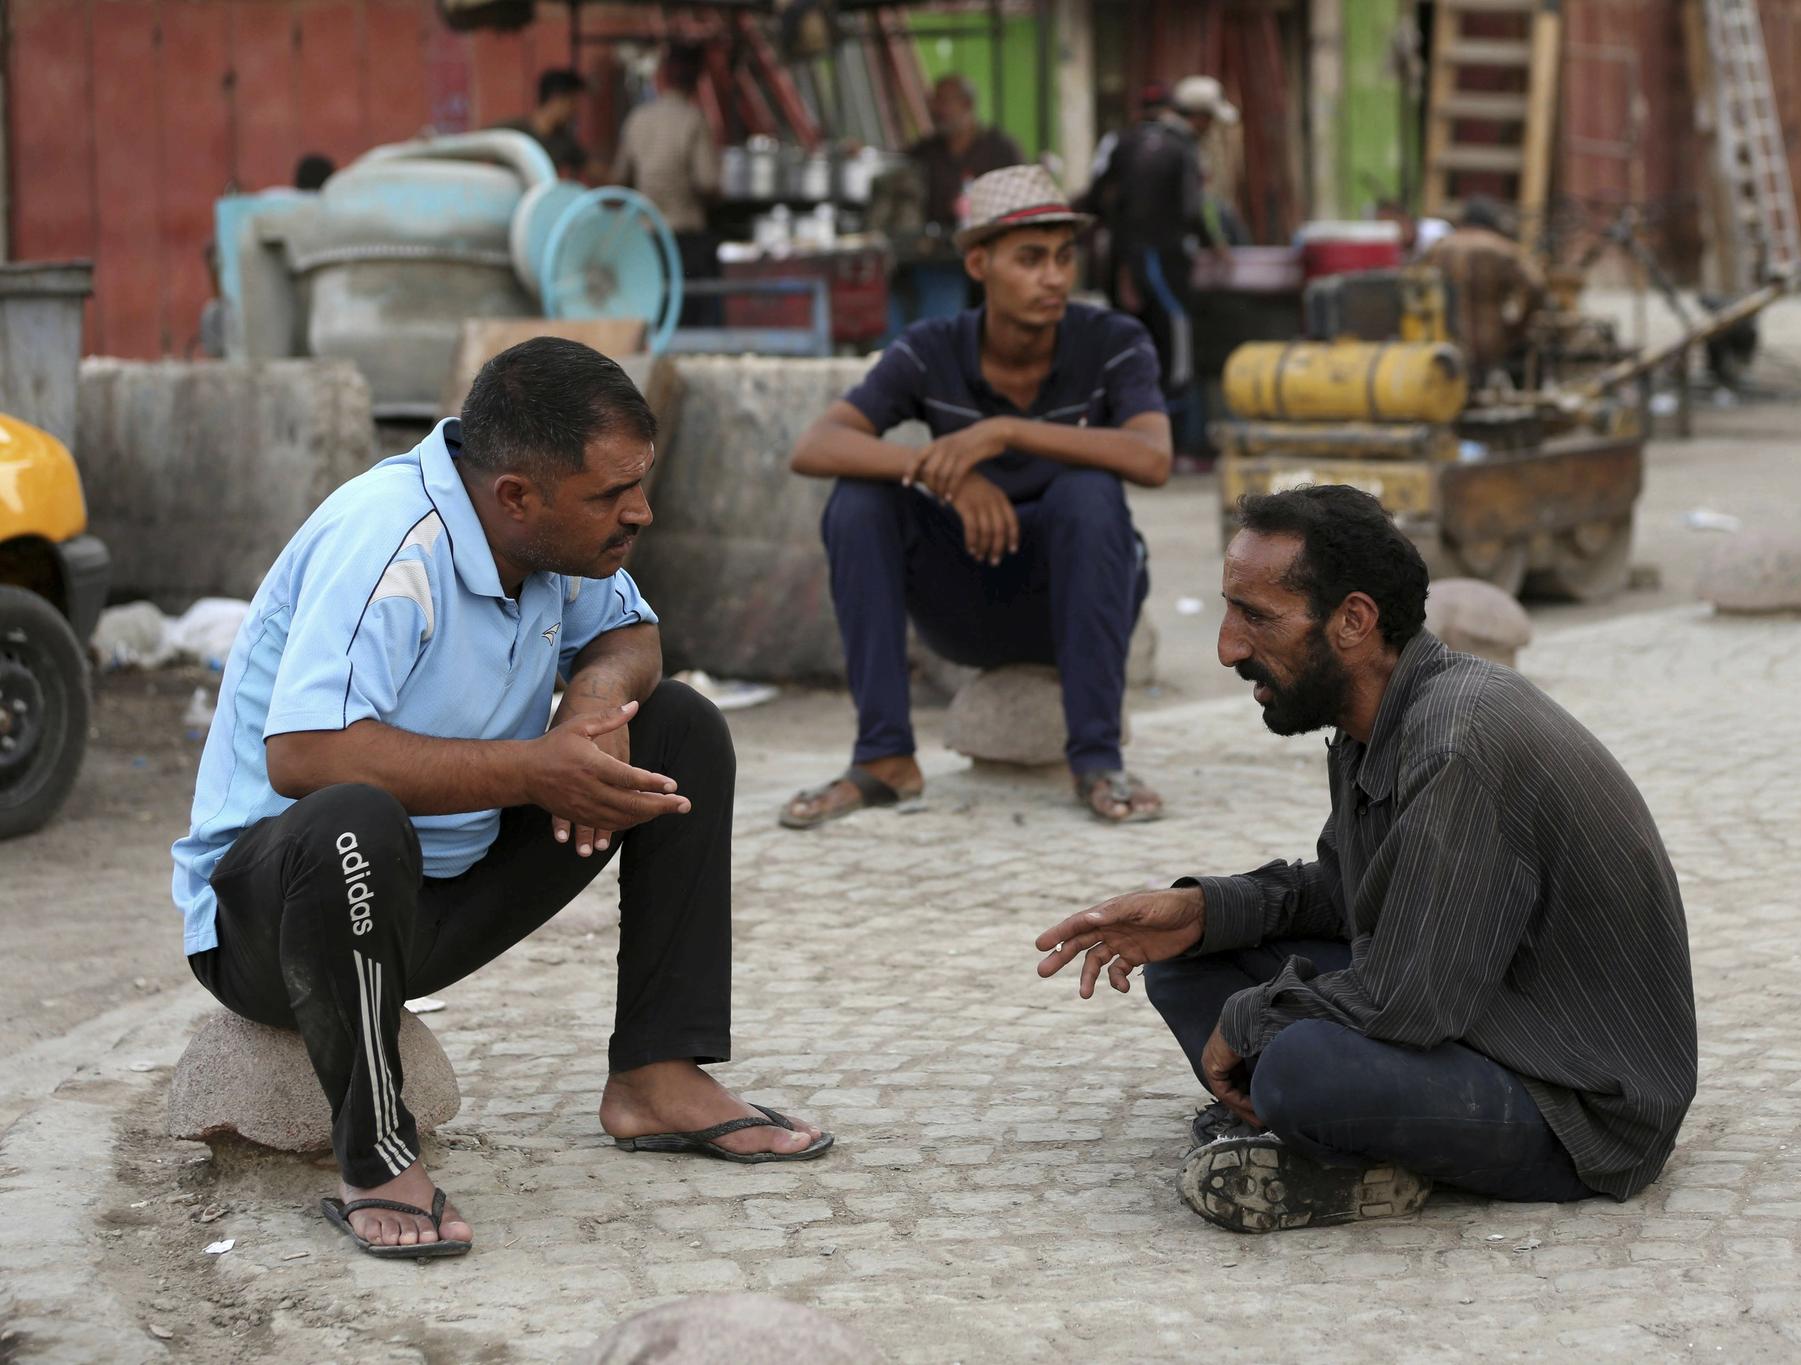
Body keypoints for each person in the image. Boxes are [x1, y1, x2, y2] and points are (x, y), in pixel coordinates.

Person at [171, 338, 829, 1260]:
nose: (639, 512)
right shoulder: (394, 542)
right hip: (280, 922)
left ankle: (655, 1075)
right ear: (517, 494)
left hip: (431, 901)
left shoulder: (551, 542)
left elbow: (633, 632)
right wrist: (532, 768)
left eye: (640, 482)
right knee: (350, 815)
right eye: (611, 494)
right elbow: (304, 753)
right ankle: (375, 1151)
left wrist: (597, 700)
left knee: (677, 729)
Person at [1036, 485, 1696, 1232]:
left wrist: (1252, 1023)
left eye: (1256, 616)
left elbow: (1410, 997)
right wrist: (1205, 908)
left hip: (1574, 1098)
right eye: (1230, 610)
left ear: (1353, 620)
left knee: (1298, 1066)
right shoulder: (1373, 718)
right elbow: (1356, 895)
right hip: (1478, 1009)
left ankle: (1341, 1148)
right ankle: (1335, 1135)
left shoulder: (1457, 745)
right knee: (1189, 958)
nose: (1227, 647)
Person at [782, 164, 1171, 830]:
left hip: (1080, 602)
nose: (1054, 276)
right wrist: (945, 474)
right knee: (860, 499)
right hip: (965, 607)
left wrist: (1007, 431)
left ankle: (1098, 759)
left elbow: (1154, 456)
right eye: (1030, 259)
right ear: (978, 262)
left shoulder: (1111, 342)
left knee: (1089, 491)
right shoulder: (932, 349)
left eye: (1063, 257)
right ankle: (884, 757)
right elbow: (815, 444)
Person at [1079, 83, 1221, 452]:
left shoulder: (1121, 143)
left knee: (1130, 347)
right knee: (1175, 348)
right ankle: (1176, 441)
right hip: (1163, 261)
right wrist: (1214, 246)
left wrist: (1123, 261)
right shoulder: (1181, 148)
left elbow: (1096, 199)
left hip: (1123, 262)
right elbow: (1192, 210)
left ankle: (1130, 435)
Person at [615, 44, 723, 327]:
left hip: (647, 238)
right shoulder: (693, 119)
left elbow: (619, 178)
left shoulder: (638, 119)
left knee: (654, 319)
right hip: (685, 240)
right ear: (697, 79)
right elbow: (708, 182)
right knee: (693, 322)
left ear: (663, 76)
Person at [1423, 196, 1547, 382]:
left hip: (1446, 341)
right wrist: (1520, 325)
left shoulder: (1439, 248)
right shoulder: (1502, 248)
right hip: (1490, 340)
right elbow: (1536, 286)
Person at [904, 74, 1023, 232]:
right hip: (935, 248)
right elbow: (896, 165)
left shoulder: (1001, 150)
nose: (936, 110)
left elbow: (1022, 201)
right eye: (933, 102)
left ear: (967, 104)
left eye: (943, 102)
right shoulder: (925, 151)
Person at [1171, 75, 1246, 245]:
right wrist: (1216, 241)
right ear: (1199, 116)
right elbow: (1197, 205)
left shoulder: (1179, 143)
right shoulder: (1181, 148)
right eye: (1210, 118)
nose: (1211, 126)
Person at [495, 68, 593, 178]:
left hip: (541, 194)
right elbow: (474, 148)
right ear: (556, 99)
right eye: (572, 103)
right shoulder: (509, 132)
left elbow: (592, 168)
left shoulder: (564, 141)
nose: (575, 110)